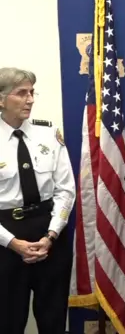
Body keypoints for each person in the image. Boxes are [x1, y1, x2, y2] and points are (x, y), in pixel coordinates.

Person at [0, 67, 75, 334]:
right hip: (6, 238)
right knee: (7, 320)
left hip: (50, 234)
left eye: (32, 92)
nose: (30, 99)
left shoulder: (49, 134)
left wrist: (52, 235)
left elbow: (66, 190)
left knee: (53, 319)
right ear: (1, 99)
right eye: (22, 93)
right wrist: (13, 243)